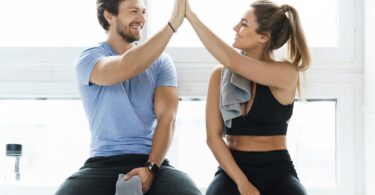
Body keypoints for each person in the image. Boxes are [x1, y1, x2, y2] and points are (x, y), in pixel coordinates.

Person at [55, 0, 201, 194]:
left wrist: (151, 168)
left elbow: (168, 118)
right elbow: (126, 67)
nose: (141, 18)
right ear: (109, 15)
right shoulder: (89, 58)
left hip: (151, 161)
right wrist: (172, 24)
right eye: (133, 11)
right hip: (102, 163)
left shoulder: (162, 61)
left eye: (143, 12)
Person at [185, 0, 310, 194]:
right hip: (232, 170)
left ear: (263, 37)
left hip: (278, 171)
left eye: (243, 24)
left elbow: (232, 60)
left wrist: (191, 18)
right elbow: (213, 138)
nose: (235, 28)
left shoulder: (286, 73)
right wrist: (242, 183)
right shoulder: (219, 75)